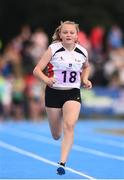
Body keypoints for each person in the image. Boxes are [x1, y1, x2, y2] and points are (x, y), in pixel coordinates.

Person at [33, 20, 92, 175]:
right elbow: (37, 70)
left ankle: (62, 163)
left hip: (72, 92)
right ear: (60, 34)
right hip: (53, 92)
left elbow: (86, 66)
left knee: (70, 126)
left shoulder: (82, 52)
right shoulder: (53, 49)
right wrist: (46, 80)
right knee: (56, 134)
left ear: (77, 36)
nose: (68, 35)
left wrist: (85, 79)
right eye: (65, 32)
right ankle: (56, 131)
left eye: (72, 32)